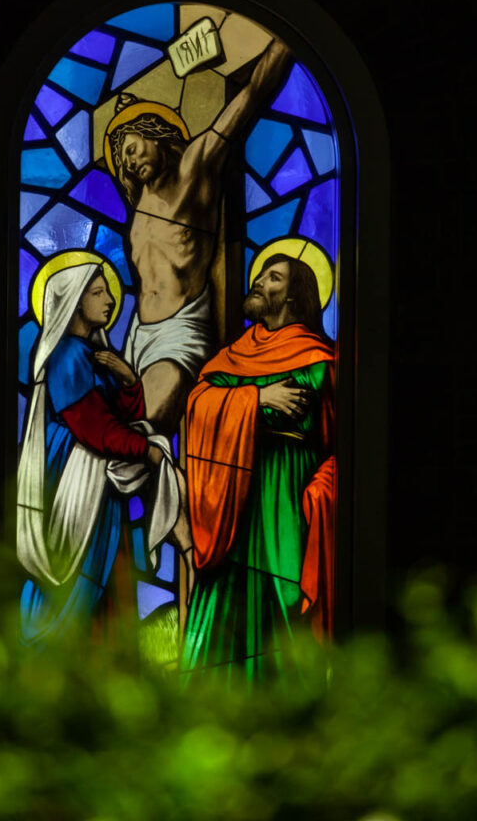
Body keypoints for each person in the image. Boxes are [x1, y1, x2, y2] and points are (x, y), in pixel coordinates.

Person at [105, 38, 291, 433]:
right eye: (123, 160)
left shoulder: (196, 168)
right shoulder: (137, 205)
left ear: (155, 135)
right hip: (137, 336)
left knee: (148, 425)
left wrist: (285, 41)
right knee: (103, 429)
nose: (130, 161)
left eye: (134, 148)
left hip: (180, 332)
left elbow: (253, 96)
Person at [181, 254, 337, 680]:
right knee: (224, 606)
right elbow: (196, 404)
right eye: (259, 274)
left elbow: (341, 442)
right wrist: (257, 400)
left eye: (273, 276)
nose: (258, 281)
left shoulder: (321, 359)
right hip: (233, 497)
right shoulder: (233, 357)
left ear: (294, 294)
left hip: (288, 497)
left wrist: (323, 490)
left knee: (283, 600)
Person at [17, 260, 182, 647]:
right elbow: (94, 429)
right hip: (74, 487)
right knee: (82, 577)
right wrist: (146, 450)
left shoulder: (94, 354)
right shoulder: (67, 356)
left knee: (107, 575)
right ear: (74, 303)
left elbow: (125, 416)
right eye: (97, 293)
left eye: (108, 291)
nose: (111, 300)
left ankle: (109, 670)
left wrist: (127, 379)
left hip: (100, 487)